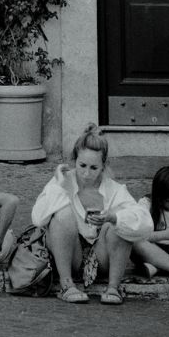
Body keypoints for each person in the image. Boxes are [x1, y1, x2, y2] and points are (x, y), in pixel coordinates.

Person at [30, 125, 143, 304]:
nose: (86, 173)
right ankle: (66, 285)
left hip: (101, 257)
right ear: (74, 160)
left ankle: (113, 287)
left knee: (121, 220)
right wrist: (58, 185)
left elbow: (144, 223)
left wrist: (113, 218)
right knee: (62, 214)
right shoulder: (63, 181)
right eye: (82, 165)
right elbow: (37, 218)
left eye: (93, 168)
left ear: (103, 166)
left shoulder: (114, 189)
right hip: (69, 253)